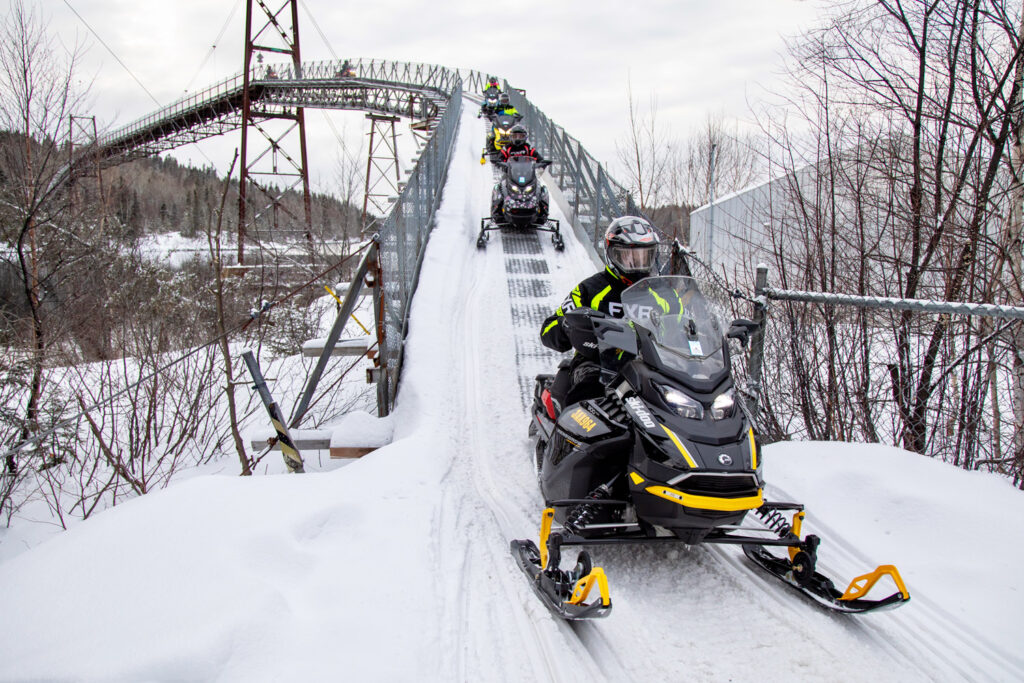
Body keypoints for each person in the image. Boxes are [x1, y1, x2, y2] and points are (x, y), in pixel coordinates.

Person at [540, 216, 661, 411]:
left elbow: (684, 323)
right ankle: (572, 440)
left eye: (643, 256)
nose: (637, 263)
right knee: (587, 395)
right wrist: (567, 326)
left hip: (652, 368)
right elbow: (548, 328)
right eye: (629, 256)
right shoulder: (591, 289)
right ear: (612, 254)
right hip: (598, 364)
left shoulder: (663, 293)